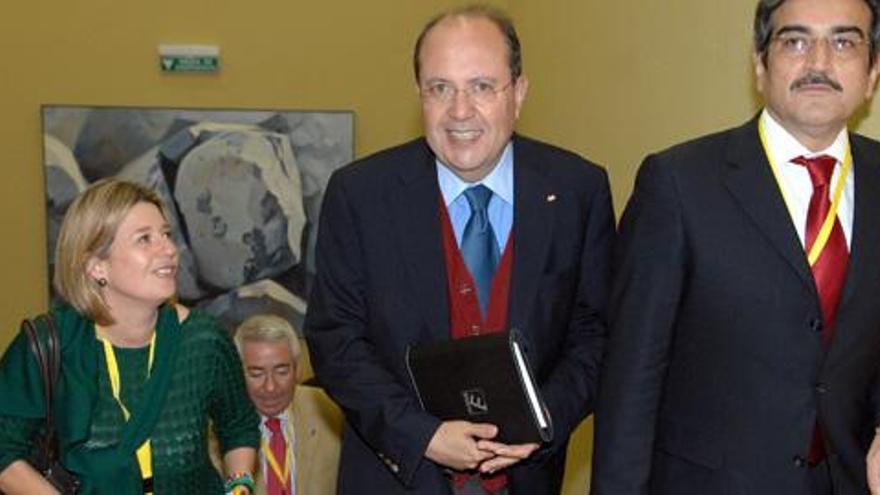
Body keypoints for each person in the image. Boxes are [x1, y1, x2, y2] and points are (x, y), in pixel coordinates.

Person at [305, 5, 614, 495]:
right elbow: (335, 340)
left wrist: (543, 420)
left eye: (482, 86)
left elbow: (595, 336)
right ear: (419, 96)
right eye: (440, 88)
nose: (460, 110)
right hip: (397, 477)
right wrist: (422, 435)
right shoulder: (359, 195)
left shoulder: (577, 190)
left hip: (528, 479)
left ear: (519, 92)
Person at [591, 0, 880, 494]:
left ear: (872, 72)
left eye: (843, 42)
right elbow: (631, 383)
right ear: (759, 64)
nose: (818, 63)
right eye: (794, 41)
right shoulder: (679, 184)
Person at [0, 178, 259, 494]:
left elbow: (239, 425)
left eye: (166, 234)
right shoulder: (48, 344)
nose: (168, 250)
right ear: (96, 266)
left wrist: (240, 484)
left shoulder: (204, 340)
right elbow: (4, 453)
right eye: (144, 239)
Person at [232, 314, 343, 495]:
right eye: (256, 374)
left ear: (298, 368)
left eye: (282, 371)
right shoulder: (214, 430)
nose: (270, 387)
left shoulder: (332, 410)